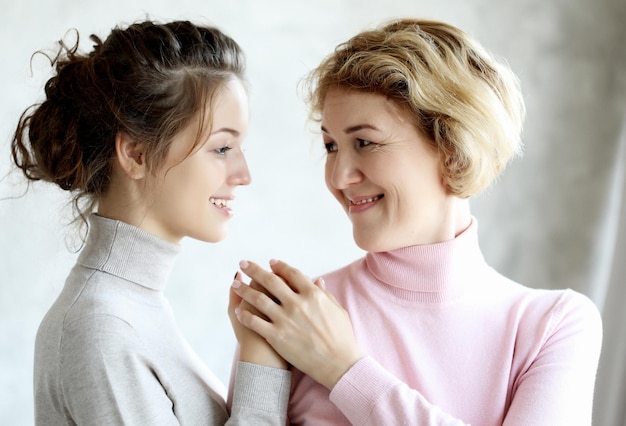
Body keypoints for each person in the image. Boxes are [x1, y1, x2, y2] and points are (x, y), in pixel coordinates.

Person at [229, 19, 603, 425]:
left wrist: (344, 369)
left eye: (365, 142)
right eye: (331, 146)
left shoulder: (551, 326)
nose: (338, 177)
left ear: (453, 149)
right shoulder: (296, 314)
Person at [11, 20, 290, 425]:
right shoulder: (100, 329)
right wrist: (262, 368)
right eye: (223, 147)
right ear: (136, 155)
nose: (243, 173)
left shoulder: (132, 309)